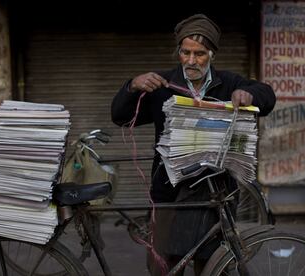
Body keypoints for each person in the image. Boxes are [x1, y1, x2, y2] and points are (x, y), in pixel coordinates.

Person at [111, 14, 276, 276]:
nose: (190, 60)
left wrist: (250, 95)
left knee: (211, 267)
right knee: (165, 267)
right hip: (169, 194)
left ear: (211, 54)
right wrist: (131, 87)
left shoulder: (229, 83)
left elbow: (267, 95)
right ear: (178, 51)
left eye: (199, 54)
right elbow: (119, 116)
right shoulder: (161, 85)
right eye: (185, 52)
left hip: (215, 194)